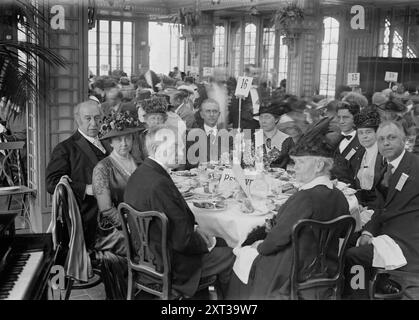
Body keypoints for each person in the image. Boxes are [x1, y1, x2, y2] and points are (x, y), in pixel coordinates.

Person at [226, 117, 349, 300]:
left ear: (319, 165)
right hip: (326, 267)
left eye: (299, 163)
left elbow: (276, 240)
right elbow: (341, 233)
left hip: (291, 269)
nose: (294, 168)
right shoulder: (339, 196)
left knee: (242, 255)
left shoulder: (304, 198)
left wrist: (259, 246)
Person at [124, 125, 235, 298]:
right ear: (155, 149)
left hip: (145, 256)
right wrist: (209, 242)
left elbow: (173, 226)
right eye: (176, 147)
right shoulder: (159, 184)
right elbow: (182, 241)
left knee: (218, 241)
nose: (182, 151)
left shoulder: (141, 174)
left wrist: (197, 230)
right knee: (231, 252)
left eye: (182, 146)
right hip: (169, 264)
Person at [345, 120, 419, 299]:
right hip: (387, 234)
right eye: (381, 139)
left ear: (404, 140)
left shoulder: (415, 165)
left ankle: (360, 294)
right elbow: (380, 207)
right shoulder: (386, 170)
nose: (386, 143)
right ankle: (374, 286)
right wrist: (368, 233)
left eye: (392, 138)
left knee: (353, 256)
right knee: (348, 240)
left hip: (408, 241)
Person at [46, 100, 110, 249]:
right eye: (88, 118)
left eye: (97, 118)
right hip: (87, 219)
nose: (94, 123)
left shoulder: (108, 143)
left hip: (114, 213)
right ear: (77, 119)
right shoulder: (65, 149)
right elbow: (51, 183)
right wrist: (85, 189)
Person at [92, 112, 145, 257]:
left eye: (127, 138)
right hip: (114, 229)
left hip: (141, 221)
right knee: (149, 244)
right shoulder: (102, 168)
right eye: (118, 139)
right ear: (110, 142)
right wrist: (130, 226)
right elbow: (106, 209)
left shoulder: (140, 163)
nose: (124, 143)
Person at [352, 108, 384, 209]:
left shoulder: (384, 155)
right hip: (362, 204)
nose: (364, 136)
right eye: (360, 133)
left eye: (368, 132)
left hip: (380, 206)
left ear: (376, 133)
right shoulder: (359, 153)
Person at [331, 101, 364, 187]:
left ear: (355, 118)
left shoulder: (362, 142)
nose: (341, 121)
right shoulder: (332, 138)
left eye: (345, 117)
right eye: (339, 117)